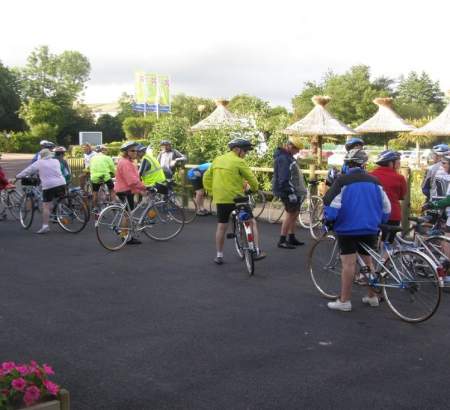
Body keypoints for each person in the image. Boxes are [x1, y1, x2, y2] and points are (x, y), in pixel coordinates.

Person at [323, 148, 391, 312]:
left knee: (349, 264)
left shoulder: (342, 180)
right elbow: (386, 207)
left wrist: (329, 222)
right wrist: (380, 222)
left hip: (347, 228)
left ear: (347, 164)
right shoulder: (375, 181)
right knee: (368, 262)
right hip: (370, 228)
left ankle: (345, 301)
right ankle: (372, 296)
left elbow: (332, 205)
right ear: (364, 165)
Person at [203, 136, 266, 264]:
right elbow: (252, 179)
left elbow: (206, 177)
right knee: (252, 222)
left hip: (221, 199)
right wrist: (254, 189)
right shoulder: (238, 162)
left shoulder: (217, 160)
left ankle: (219, 255)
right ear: (237, 150)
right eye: (245, 151)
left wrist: (211, 191)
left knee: (221, 226)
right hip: (238, 199)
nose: (246, 154)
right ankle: (256, 250)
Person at [16, 148, 67, 234]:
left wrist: (17, 176)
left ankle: (45, 226)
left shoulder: (39, 163)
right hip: (61, 183)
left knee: (46, 206)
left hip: (49, 186)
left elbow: (27, 171)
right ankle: (59, 215)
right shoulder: (56, 161)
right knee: (58, 199)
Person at [272, 138, 307, 249]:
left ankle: (291, 237)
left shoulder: (288, 157)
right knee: (290, 214)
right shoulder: (284, 158)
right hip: (288, 191)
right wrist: (290, 192)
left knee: (294, 213)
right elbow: (284, 178)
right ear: (291, 146)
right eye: (297, 149)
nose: (298, 152)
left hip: (291, 190)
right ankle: (282, 240)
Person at [370, 150, 407, 245]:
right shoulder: (399, 178)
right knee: (388, 243)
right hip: (393, 214)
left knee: (370, 245)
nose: (399, 164)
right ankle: (384, 258)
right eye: (398, 162)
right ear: (391, 163)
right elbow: (402, 196)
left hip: (374, 214)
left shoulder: (370, 175)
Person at [114, 141, 147, 245]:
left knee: (127, 214)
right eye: (132, 150)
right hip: (125, 191)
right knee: (128, 215)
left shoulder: (126, 161)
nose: (135, 152)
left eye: (136, 150)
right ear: (126, 152)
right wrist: (144, 187)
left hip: (124, 189)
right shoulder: (126, 163)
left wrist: (140, 190)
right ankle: (125, 237)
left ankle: (125, 234)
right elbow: (132, 181)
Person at [89, 145, 117, 210]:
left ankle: (95, 207)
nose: (106, 151)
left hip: (94, 177)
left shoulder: (92, 158)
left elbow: (90, 167)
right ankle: (113, 204)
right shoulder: (107, 158)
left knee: (95, 192)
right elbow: (113, 168)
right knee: (112, 190)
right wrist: (115, 175)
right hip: (105, 176)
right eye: (106, 150)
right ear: (103, 150)